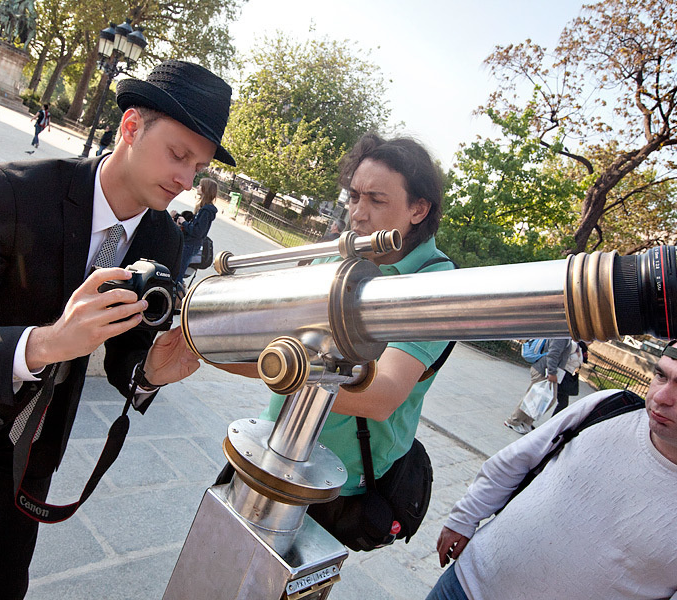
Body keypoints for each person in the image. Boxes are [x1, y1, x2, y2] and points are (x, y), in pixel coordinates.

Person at [0, 59, 236, 599]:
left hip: (28, 433)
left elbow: (126, 354)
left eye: (197, 168)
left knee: (2, 578)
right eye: (179, 155)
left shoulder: (164, 240)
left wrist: (150, 372)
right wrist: (43, 344)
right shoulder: (5, 194)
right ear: (130, 127)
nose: (185, 180)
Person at [219, 133, 452, 548]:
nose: (358, 215)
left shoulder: (434, 282)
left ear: (418, 209)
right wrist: (209, 340)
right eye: (353, 197)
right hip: (274, 447)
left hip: (334, 481)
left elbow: (379, 396)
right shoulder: (339, 255)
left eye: (376, 201)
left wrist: (273, 363)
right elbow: (267, 340)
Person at [429, 328, 677, 600]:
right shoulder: (607, 407)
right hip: (462, 583)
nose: (661, 397)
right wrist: (464, 517)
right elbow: (516, 460)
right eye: (661, 376)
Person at [503, 337, 582, 433]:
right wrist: (552, 373)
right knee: (534, 397)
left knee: (541, 399)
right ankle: (513, 421)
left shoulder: (565, 337)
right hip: (544, 370)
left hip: (547, 370)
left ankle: (526, 422)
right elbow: (553, 355)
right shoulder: (561, 337)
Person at [175, 177, 218, 285]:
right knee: (179, 269)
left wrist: (184, 222)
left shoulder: (206, 211)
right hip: (191, 243)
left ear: (205, 189)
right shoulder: (204, 208)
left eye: (200, 185)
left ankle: (177, 294)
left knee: (179, 272)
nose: (197, 187)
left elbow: (198, 232)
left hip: (191, 244)